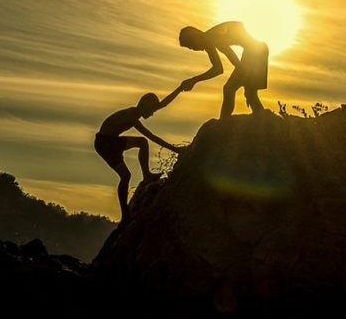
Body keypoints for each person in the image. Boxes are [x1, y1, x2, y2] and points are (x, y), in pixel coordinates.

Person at [94, 87, 183, 220]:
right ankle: (127, 208)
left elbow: (162, 104)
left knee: (128, 170)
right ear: (145, 106)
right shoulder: (131, 116)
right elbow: (151, 136)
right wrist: (174, 149)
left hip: (109, 142)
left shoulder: (136, 113)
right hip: (106, 143)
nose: (152, 114)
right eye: (151, 110)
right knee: (128, 170)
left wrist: (180, 89)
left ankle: (127, 208)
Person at [178, 21, 269, 118]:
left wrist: (194, 80)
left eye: (191, 46)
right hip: (257, 51)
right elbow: (227, 66)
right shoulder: (210, 40)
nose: (194, 49)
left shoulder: (210, 38)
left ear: (195, 38)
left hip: (255, 52)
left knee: (230, 89)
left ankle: (224, 122)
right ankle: (260, 120)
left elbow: (218, 69)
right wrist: (244, 79)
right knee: (249, 93)